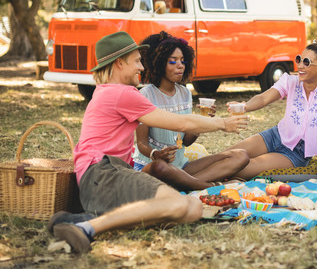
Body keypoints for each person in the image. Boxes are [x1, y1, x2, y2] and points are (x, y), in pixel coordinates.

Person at [48, 31, 248, 253]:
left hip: (107, 175)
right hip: (102, 173)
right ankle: (86, 227)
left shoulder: (109, 91)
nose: (142, 68)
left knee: (192, 209)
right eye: (136, 62)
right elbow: (180, 123)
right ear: (119, 63)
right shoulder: (122, 94)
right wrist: (222, 123)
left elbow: (184, 132)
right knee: (181, 204)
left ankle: (82, 219)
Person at [133, 31, 249, 190]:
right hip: (153, 167)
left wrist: (202, 119)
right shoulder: (146, 95)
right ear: (159, 64)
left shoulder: (185, 93)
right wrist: (155, 154)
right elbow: (141, 143)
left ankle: (183, 184)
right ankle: (211, 186)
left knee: (240, 155)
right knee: (161, 167)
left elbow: (185, 141)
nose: (180, 65)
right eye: (172, 61)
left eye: (182, 60)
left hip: (181, 166)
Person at [225, 35, 317, 180]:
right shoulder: (290, 81)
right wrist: (244, 106)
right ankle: (190, 176)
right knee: (224, 157)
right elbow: (263, 98)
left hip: (296, 153)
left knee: (238, 169)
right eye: (299, 59)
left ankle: (200, 181)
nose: (300, 65)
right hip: (275, 135)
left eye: (307, 62)